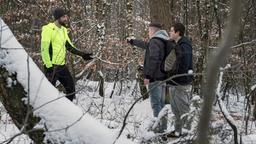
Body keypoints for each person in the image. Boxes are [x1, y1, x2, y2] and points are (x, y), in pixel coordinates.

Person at [40, 8, 93, 101]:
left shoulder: (63, 30)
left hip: (61, 66)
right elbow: (44, 49)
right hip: (51, 66)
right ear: (58, 17)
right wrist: (48, 66)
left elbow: (69, 46)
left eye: (66, 16)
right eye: (64, 16)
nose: (66, 18)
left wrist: (82, 54)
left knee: (71, 89)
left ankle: (65, 112)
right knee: (48, 95)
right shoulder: (48, 29)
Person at [127, 23, 169, 133]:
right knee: (162, 105)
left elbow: (154, 58)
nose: (148, 33)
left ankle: (158, 131)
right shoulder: (163, 40)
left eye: (149, 31)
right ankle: (163, 129)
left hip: (155, 78)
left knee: (156, 104)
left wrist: (148, 76)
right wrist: (133, 42)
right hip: (163, 78)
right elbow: (147, 45)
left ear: (154, 31)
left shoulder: (155, 41)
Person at [166, 23, 193, 138]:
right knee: (175, 109)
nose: (170, 33)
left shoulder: (184, 46)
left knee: (183, 110)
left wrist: (173, 75)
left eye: (171, 31)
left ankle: (187, 134)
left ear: (178, 32)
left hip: (180, 83)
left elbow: (184, 66)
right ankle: (178, 132)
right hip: (174, 82)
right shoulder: (177, 44)